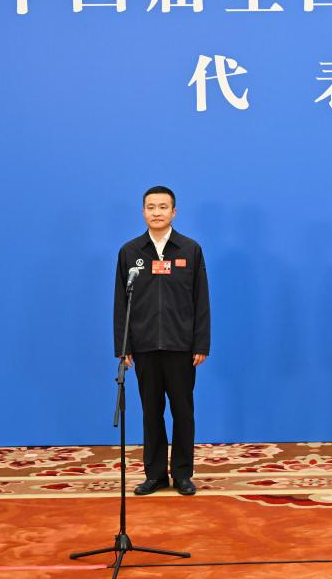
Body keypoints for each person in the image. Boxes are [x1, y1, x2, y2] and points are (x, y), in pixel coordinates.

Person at [114, 186, 210, 496]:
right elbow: (121, 303)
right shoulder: (130, 252)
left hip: (181, 346)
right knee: (151, 412)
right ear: (143, 212)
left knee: (183, 411)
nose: (157, 212)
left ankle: (182, 473)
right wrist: (124, 346)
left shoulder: (190, 249)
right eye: (151, 207)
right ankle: (155, 474)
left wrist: (201, 344)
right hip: (144, 347)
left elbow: (201, 300)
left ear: (174, 212)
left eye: (163, 207)